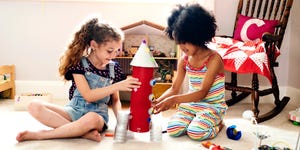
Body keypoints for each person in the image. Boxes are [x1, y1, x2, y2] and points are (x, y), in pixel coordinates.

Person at [16, 17, 141, 142]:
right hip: (73, 110)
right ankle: (82, 133)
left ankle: (42, 135)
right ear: (94, 45)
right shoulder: (79, 64)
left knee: (91, 118)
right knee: (34, 105)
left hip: (97, 116)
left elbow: (115, 100)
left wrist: (121, 122)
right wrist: (118, 85)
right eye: (109, 51)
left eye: (117, 51)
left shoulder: (114, 68)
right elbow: (88, 96)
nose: (114, 55)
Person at [152, 3, 228, 141]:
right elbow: (174, 88)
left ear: (197, 36)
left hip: (212, 107)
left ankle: (219, 124)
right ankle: (195, 119)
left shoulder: (213, 59)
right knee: (173, 129)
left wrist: (173, 100)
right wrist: (158, 101)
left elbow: (202, 93)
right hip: (191, 105)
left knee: (196, 133)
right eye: (179, 42)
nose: (181, 46)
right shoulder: (184, 60)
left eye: (185, 42)